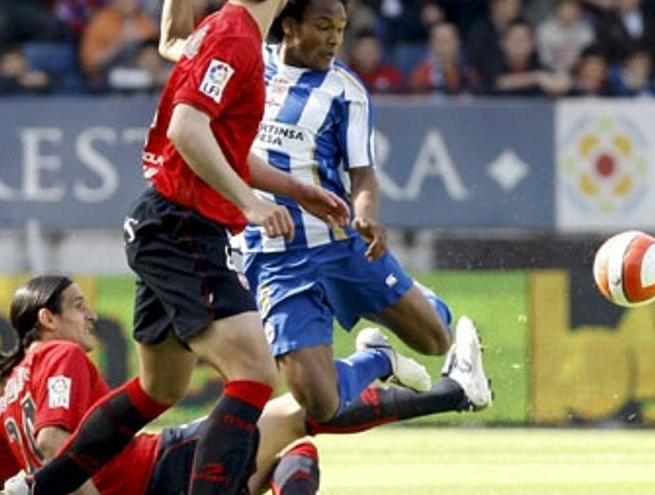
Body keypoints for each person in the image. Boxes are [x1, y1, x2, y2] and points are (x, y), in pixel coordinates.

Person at [5, 0, 351, 493]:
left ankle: (44, 487)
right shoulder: (234, 35)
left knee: (159, 387)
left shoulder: (233, 32)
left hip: (166, 223)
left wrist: (296, 190)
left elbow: (214, 130)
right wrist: (250, 204)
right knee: (252, 372)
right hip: (183, 226)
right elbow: (186, 128)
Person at [156, 2, 492, 490]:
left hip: (338, 243)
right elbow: (174, 39)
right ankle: (377, 358)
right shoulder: (242, 57)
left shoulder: (346, 91)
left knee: (435, 340)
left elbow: (363, 173)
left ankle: (414, 309)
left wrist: (366, 212)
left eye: (340, 28)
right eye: (323, 26)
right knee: (320, 402)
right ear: (288, 25)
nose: (335, 37)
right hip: (274, 259)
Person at [0, 275, 322, 495]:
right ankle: (376, 363)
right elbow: (53, 441)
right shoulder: (59, 353)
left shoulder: (6, 399)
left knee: (281, 449)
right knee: (301, 412)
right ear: (47, 318)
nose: (92, 315)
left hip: (159, 477)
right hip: (161, 468)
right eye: (78, 306)